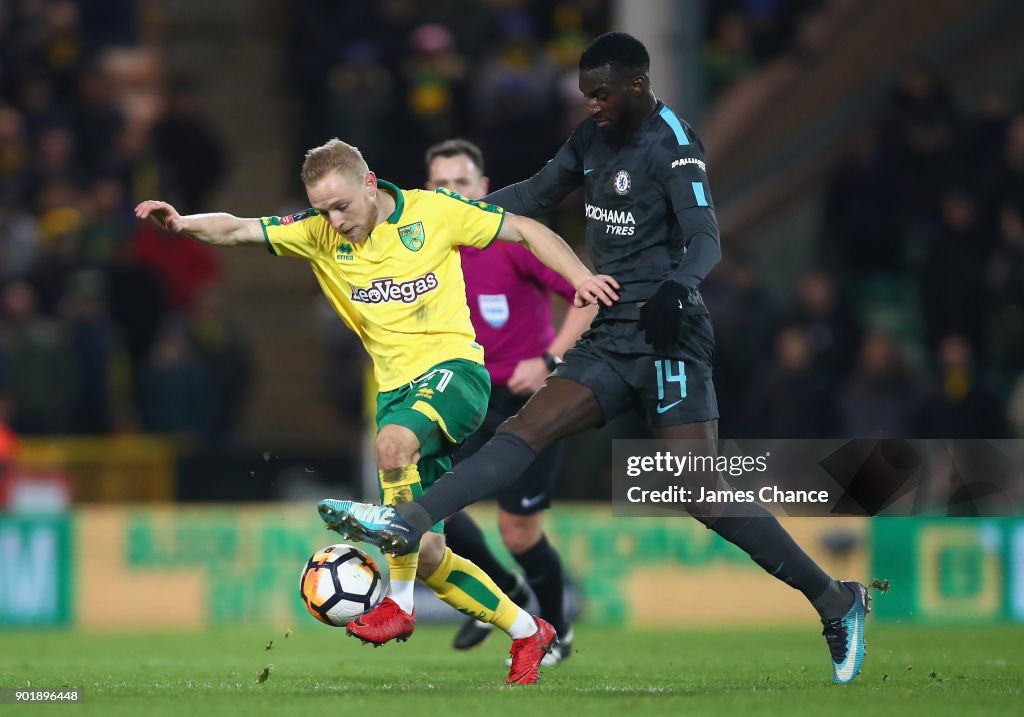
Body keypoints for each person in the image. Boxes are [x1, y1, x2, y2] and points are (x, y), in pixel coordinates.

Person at [318, 32, 870, 685]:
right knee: (527, 426)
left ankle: (837, 599)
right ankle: (408, 520)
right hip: (611, 334)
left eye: (602, 94)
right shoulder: (590, 139)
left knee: (699, 490)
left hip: (670, 334)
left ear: (636, 85)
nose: (592, 106)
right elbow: (534, 193)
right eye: (585, 95)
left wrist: (674, 288)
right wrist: (450, 217)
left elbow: (706, 240)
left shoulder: (674, 143)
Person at [134, 137, 619, 685]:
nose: (334, 220)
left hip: (457, 373)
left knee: (390, 445)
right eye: (322, 210)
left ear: (369, 184)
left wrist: (580, 278)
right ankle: (530, 631)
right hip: (398, 392)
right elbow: (240, 227)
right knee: (434, 553)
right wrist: (182, 223)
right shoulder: (317, 234)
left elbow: (526, 228)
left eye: (341, 206)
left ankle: (399, 606)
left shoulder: (434, 212)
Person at [425, 139, 595, 661]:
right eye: (439, 185)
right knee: (432, 508)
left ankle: (557, 632)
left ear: (482, 188)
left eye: (459, 183)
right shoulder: (421, 249)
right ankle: (507, 597)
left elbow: (587, 296)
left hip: (527, 403)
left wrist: (549, 359)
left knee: (518, 532)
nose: (449, 192)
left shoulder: (511, 241)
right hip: (463, 397)